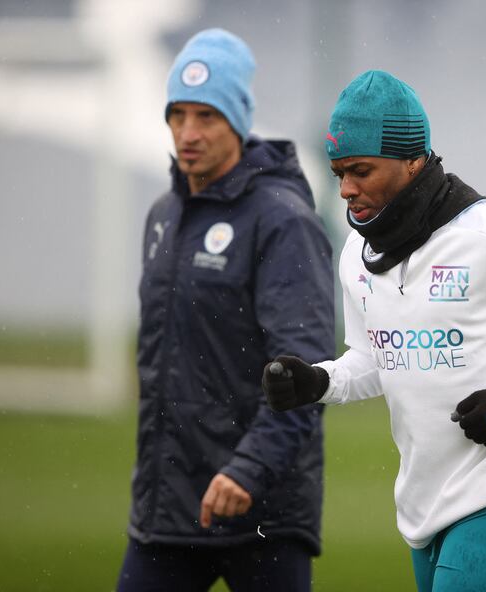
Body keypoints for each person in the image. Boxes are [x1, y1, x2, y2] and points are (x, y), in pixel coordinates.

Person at [262, 70, 486, 592]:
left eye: (360, 170)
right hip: (423, 505)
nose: (346, 190)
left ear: (412, 160)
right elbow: (377, 357)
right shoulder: (356, 254)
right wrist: (321, 381)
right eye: (338, 173)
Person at [117, 29, 335, 592]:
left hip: (260, 506)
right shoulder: (165, 215)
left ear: (237, 120)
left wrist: (249, 468)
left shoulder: (282, 220)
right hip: (169, 506)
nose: (188, 134)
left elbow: (305, 369)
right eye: (178, 115)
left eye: (207, 117)